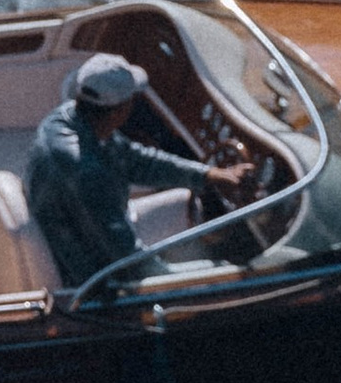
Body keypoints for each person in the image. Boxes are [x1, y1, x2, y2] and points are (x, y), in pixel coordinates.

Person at [24, 52, 239, 289]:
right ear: (120, 111)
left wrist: (206, 175)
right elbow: (125, 258)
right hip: (92, 276)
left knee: (187, 203)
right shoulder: (85, 171)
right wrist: (182, 281)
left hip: (85, 231)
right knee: (223, 278)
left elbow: (136, 161)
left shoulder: (69, 118)